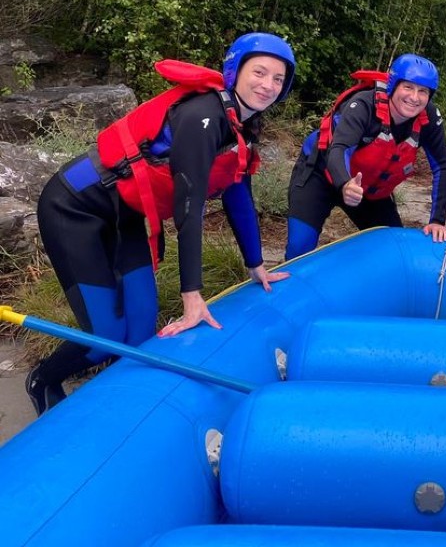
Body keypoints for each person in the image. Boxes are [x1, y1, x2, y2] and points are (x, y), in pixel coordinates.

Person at [27, 32, 295, 415]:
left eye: (278, 79)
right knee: (105, 338)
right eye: (260, 73)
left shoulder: (242, 127)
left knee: (138, 334)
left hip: (127, 217)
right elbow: (189, 206)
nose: (268, 85)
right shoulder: (202, 114)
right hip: (75, 209)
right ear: (235, 71)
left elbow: (238, 196)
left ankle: (121, 405)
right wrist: (192, 297)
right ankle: (43, 379)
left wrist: (256, 265)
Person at [285, 53, 446, 260]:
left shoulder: (429, 118)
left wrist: (437, 220)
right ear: (393, 86)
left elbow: (442, 166)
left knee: (395, 252)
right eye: (407, 87)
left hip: (368, 190)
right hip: (321, 176)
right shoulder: (364, 105)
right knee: (299, 246)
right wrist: (345, 183)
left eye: (423, 91)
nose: (414, 97)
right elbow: (339, 148)